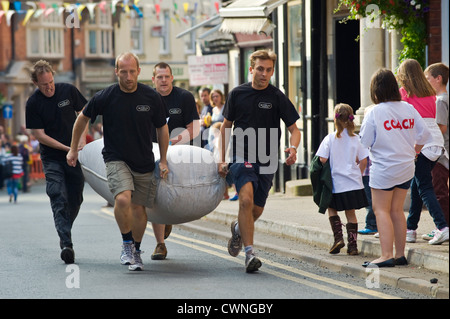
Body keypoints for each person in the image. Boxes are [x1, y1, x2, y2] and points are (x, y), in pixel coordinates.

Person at [67, 52, 170, 271]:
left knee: (140, 209)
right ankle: (126, 244)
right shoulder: (105, 96)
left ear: (139, 71)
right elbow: (82, 118)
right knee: (123, 199)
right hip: (116, 158)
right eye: (124, 72)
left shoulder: (151, 97)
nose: (129, 76)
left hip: (143, 160)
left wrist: (164, 160)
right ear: (117, 72)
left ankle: (136, 249)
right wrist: (74, 148)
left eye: (132, 71)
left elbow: (162, 128)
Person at [218, 49, 301, 272]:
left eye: (269, 70)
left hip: (267, 159)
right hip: (241, 155)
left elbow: (294, 129)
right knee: (245, 200)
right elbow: (226, 127)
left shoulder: (277, 97)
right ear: (251, 69)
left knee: (255, 210)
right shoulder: (237, 94)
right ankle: (250, 254)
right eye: (260, 69)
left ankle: (238, 230)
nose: (264, 74)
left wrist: (293, 148)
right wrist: (221, 159)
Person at [359, 68, 431, 267]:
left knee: (381, 210)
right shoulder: (408, 108)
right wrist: (414, 152)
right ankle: (400, 254)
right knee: (397, 210)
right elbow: (424, 135)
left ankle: (385, 255)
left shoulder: (375, 112)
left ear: (375, 90)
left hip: (384, 168)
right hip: (406, 166)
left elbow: (364, 141)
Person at [25, 60, 87, 264]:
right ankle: (66, 244)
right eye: (44, 84)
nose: (49, 87)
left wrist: (80, 141)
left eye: (51, 81)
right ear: (36, 83)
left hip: (75, 154)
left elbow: (85, 113)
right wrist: (67, 148)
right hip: (52, 157)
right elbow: (40, 136)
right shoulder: (33, 103)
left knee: (76, 197)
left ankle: (64, 228)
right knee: (58, 195)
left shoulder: (68, 91)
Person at [150, 62, 200, 260]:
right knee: (155, 197)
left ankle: (167, 219)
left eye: (166, 76)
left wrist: (172, 142)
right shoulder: (146, 98)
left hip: (179, 153)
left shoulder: (184, 97)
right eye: (159, 77)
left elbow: (194, 129)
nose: (163, 80)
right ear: (153, 79)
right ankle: (160, 244)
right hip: (153, 154)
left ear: (172, 78)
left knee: (174, 196)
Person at [397, 59, 449, 245]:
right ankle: (411, 229)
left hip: (421, 144)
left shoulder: (404, 94)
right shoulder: (430, 93)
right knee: (417, 186)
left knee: (425, 187)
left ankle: (442, 227)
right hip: (436, 143)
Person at [316, 104, 369, 255]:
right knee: (350, 213)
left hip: (335, 183)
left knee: (331, 208)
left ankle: (338, 238)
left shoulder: (330, 139)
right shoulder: (357, 139)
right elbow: (364, 160)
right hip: (353, 183)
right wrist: (357, 174)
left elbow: (322, 159)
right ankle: (353, 246)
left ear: (335, 118)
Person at [424, 63, 449, 229]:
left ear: (438, 79)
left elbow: (441, 127)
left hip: (441, 154)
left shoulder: (440, 101)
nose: (426, 82)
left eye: (428, 79)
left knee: (439, 192)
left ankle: (443, 227)